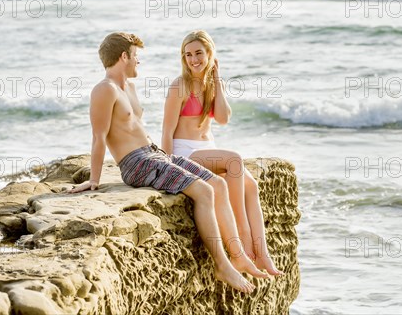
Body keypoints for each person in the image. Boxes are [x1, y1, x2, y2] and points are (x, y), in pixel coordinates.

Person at [69, 32, 268, 293]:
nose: (138, 62)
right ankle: (222, 264)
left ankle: (239, 255)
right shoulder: (104, 90)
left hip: (153, 154)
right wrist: (94, 180)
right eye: (135, 56)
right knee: (204, 191)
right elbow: (99, 138)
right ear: (124, 56)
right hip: (136, 163)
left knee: (218, 184)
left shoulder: (128, 87)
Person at [162, 30, 282, 276]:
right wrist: (167, 166)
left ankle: (263, 255)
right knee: (234, 160)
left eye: (199, 53)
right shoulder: (179, 85)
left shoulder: (214, 84)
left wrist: (217, 80)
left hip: (208, 148)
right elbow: (166, 131)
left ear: (210, 54)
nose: (193, 60)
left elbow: (224, 119)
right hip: (186, 151)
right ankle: (244, 240)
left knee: (251, 187)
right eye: (188, 55)